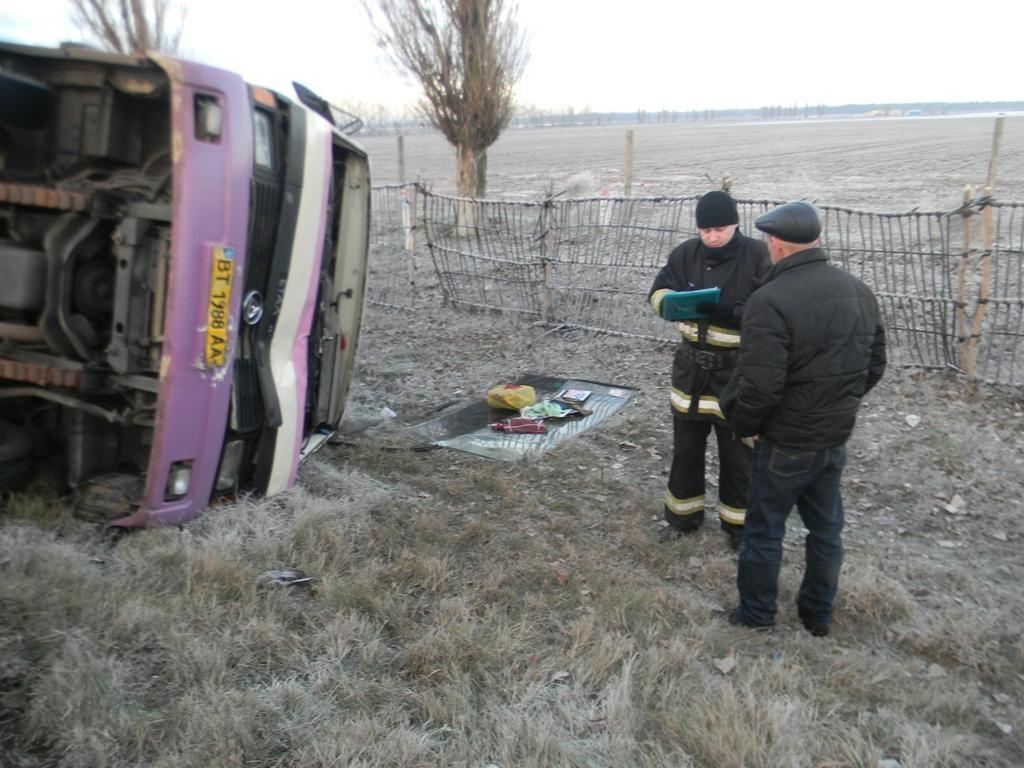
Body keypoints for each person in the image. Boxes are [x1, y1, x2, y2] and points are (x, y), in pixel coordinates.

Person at [718, 201, 887, 636]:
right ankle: (817, 616)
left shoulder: (769, 301)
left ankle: (755, 616)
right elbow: (874, 365)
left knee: (764, 530)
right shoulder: (858, 291)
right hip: (832, 437)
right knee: (826, 530)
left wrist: (745, 426)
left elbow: (759, 385)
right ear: (815, 240)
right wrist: (838, 404)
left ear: (775, 244)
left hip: (784, 441)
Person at [648, 190, 770, 549]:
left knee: (737, 456)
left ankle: (740, 529)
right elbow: (656, 292)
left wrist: (731, 313)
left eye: (719, 229)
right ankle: (682, 518)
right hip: (690, 371)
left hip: (735, 374)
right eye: (705, 230)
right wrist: (670, 304)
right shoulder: (685, 253)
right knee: (685, 450)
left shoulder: (758, 257)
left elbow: (770, 314)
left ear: (735, 224)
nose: (712, 237)